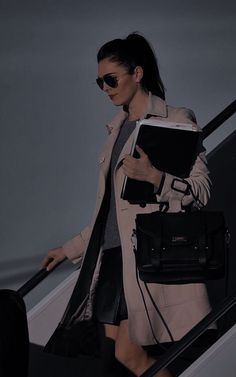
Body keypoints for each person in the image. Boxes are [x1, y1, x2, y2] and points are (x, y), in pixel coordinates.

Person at [41, 33, 214, 377]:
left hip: (141, 259)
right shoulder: (115, 131)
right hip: (110, 262)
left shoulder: (174, 119)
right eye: (99, 81)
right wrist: (68, 248)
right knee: (112, 359)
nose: (105, 88)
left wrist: (156, 177)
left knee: (128, 356)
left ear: (137, 74)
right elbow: (110, 212)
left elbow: (202, 191)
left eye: (110, 79)